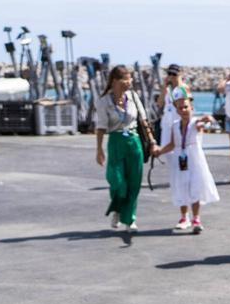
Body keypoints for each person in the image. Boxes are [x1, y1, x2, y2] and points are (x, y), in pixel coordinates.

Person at [94, 64, 155, 232]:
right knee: (117, 181)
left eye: (130, 79)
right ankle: (118, 209)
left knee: (134, 182)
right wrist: (99, 149)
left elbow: (144, 120)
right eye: (125, 80)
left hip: (134, 140)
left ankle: (130, 218)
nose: (129, 83)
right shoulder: (104, 101)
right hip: (116, 141)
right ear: (115, 81)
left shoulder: (133, 96)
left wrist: (152, 141)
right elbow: (100, 127)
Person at [153, 93, 219, 234]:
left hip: (194, 158)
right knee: (182, 185)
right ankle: (184, 217)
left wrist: (207, 119)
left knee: (195, 185)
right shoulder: (175, 125)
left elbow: (202, 123)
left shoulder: (195, 123)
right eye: (180, 108)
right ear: (176, 110)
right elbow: (172, 144)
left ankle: (196, 218)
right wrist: (160, 151)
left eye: (186, 107)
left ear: (191, 108)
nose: (183, 110)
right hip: (180, 158)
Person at [158, 64, 190, 148]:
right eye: (169, 74)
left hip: (178, 121)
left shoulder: (184, 88)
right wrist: (164, 86)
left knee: (177, 147)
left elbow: (188, 103)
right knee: (165, 149)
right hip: (167, 122)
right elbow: (160, 103)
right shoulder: (167, 88)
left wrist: (179, 81)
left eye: (174, 74)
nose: (171, 76)